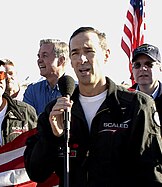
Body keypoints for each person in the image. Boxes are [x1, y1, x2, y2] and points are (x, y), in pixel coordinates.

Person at [24, 27, 162, 187]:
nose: (82, 59)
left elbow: (152, 173)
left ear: (106, 55)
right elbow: (37, 173)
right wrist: (54, 137)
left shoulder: (137, 105)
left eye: (89, 51)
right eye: (75, 53)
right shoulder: (55, 111)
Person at [23, 39, 69, 115]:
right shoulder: (32, 91)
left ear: (61, 60)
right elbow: (28, 121)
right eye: (39, 56)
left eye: (45, 55)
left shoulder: (76, 91)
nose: (39, 60)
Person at [129, 43, 162, 130]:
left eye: (149, 64)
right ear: (132, 70)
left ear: (160, 68)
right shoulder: (124, 101)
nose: (142, 68)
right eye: (137, 65)